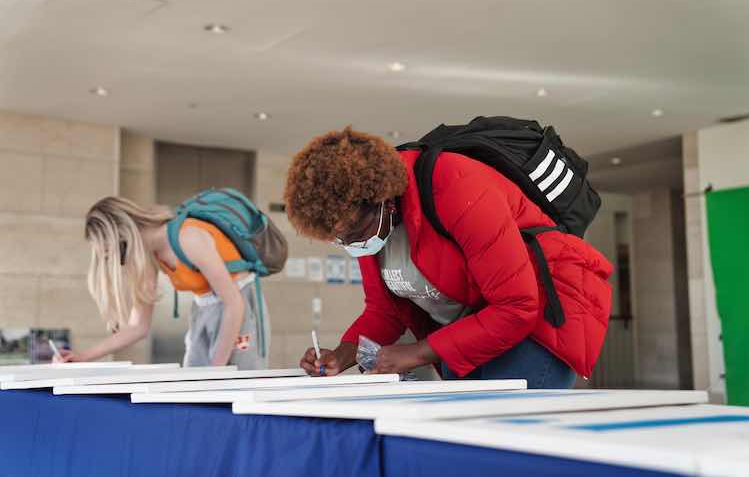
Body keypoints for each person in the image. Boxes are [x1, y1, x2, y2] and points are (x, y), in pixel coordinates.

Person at [285, 127, 612, 388]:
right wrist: (343, 354)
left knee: (502, 448)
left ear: (383, 199)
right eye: (340, 239)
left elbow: (517, 307)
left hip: (540, 319)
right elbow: (383, 311)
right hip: (471, 327)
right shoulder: (366, 224)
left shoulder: (457, 185)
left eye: (354, 234)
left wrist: (416, 353)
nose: (352, 244)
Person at [55, 194, 283, 369]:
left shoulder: (188, 237)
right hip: (204, 311)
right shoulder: (149, 255)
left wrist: (215, 371)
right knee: (195, 390)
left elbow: (234, 304)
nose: (116, 261)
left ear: (120, 237)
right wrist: (83, 357)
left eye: (110, 253)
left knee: (233, 388)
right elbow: (137, 327)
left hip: (240, 306)